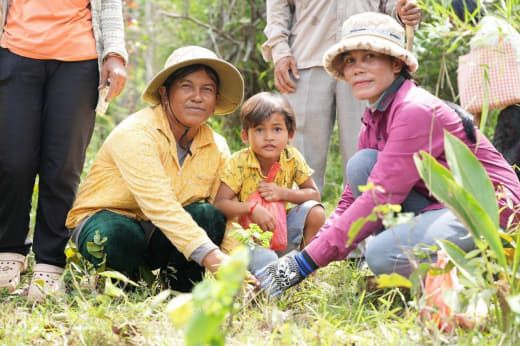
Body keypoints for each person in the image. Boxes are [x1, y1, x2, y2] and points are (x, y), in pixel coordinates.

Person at [255, 12, 520, 297]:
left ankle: (484, 273)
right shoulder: (376, 115)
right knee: (362, 165)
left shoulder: (414, 110)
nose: (357, 69)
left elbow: (379, 198)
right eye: (350, 60)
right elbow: (349, 200)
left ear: (396, 63)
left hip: (493, 214)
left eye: (369, 56)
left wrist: (300, 266)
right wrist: (303, 260)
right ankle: (421, 259)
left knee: (382, 255)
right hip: (445, 205)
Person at [65, 46, 245, 293]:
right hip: (108, 219)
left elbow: (228, 213)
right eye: (186, 86)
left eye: (207, 89)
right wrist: (213, 258)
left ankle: (184, 290)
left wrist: (236, 268)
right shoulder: (138, 132)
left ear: (215, 101)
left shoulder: (218, 146)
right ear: (164, 93)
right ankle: (115, 287)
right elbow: (159, 203)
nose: (197, 97)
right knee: (119, 235)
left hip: (159, 231)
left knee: (209, 215)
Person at [0, 0, 127, 301]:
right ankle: (8, 250)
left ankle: (50, 260)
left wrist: (114, 53)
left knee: (63, 166)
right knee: (12, 160)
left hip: (79, 60)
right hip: (15, 52)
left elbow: (109, 4)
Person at [262, 0, 421, 193]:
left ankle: (364, 218)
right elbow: (278, 5)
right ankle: (300, 219)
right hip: (306, 56)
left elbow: (393, 6)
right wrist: (280, 51)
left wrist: (401, 12)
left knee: (364, 151)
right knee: (301, 156)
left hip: (366, 60)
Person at [214, 92, 326, 271]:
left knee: (316, 212)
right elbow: (220, 204)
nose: (269, 137)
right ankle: (269, 269)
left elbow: (314, 194)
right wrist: (251, 209)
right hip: (249, 237)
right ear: (245, 136)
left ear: (290, 134)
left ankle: (305, 271)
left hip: (281, 231)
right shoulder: (239, 162)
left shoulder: (292, 158)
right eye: (259, 129)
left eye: (277, 129)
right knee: (268, 260)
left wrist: (283, 193)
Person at [451, 0, 520, 180]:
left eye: (452, 17)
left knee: (503, 172)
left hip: (516, 114)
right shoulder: (497, 25)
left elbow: (479, 90)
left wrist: (471, 133)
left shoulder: (484, 35)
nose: (451, 23)